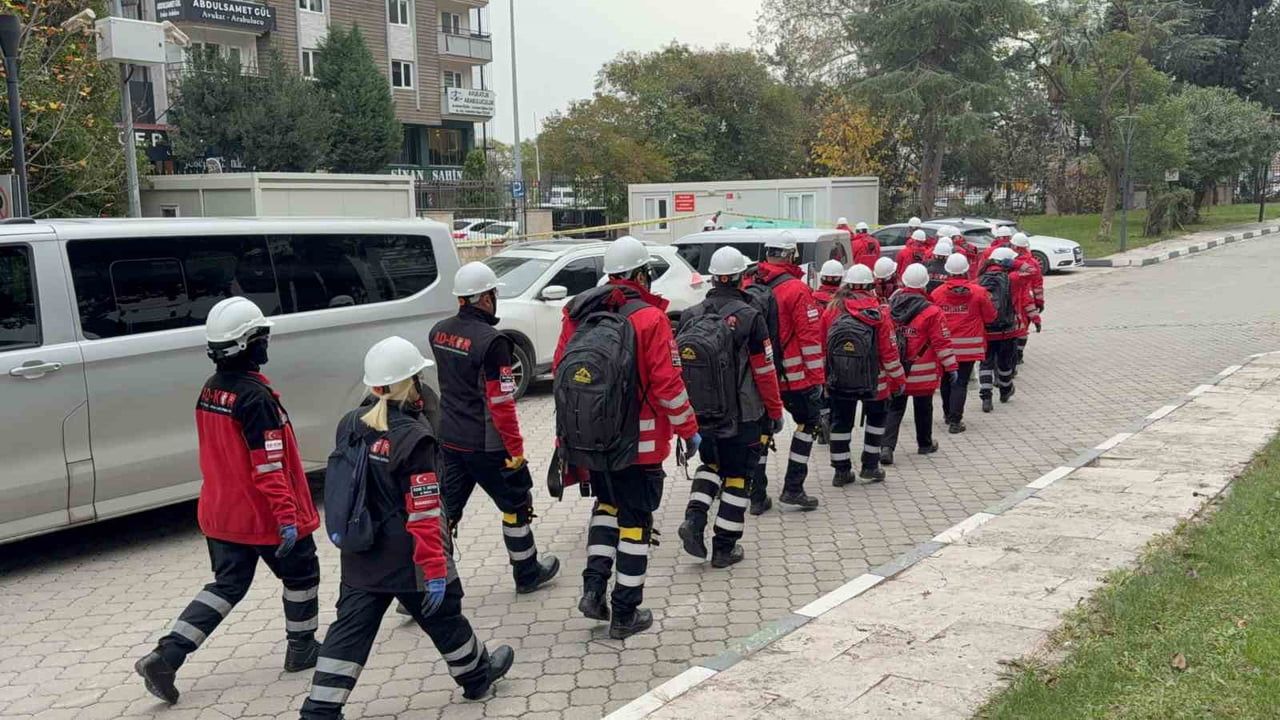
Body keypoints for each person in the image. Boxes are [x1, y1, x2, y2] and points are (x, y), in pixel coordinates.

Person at [299, 338, 513, 717]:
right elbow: (425, 513)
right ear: (410, 383)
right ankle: (476, 676)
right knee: (443, 615)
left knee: (349, 632)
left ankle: (319, 710)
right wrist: (434, 570)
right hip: (409, 557)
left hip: (361, 554)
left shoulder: (350, 424)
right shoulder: (414, 438)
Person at [137, 297, 322, 705]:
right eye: (262, 336)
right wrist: (288, 519)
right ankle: (303, 647)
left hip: (221, 512)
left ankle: (166, 656)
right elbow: (269, 467)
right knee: (302, 574)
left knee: (226, 586)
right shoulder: (255, 400)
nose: (267, 342)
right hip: (263, 517)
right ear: (244, 344)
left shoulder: (211, 389)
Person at [553, 236, 699, 639]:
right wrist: (689, 429)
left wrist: (564, 441)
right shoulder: (650, 320)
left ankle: (593, 590)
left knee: (605, 506)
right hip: (641, 441)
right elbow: (668, 385)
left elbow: (565, 381)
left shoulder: (577, 312)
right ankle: (625, 613)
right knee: (636, 520)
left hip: (590, 437)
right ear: (640, 275)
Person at [430, 262, 559, 595]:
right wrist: (515, 451)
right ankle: (527, 573)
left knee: (445, 510)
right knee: (516, 505)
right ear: (484, 298)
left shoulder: (439, 331)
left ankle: (427, 583)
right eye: (493, 294)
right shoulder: (493, 342)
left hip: (450, 439)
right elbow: (501, 404)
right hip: (487, 444)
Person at [676, 247, 785, 567]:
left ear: (712, 277)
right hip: (744, 414)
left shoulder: (690, 315)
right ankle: (724, 547)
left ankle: (694, 521)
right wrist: (775, 412)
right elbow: (765, 371)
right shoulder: (751, 316)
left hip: (703, 411)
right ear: (741, 277)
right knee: (738, 476)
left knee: (709, 466)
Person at [752, 233, 824, 511]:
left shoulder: (750, 282)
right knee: (808, 424)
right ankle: (793, 487)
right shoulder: (796, 289)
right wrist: (817, 379)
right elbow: (809, 338)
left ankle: (756, 495)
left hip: (760, 375)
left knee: (762, 432)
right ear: (792, 256)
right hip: (794, 379)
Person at [821, 264, 904, 485]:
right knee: (876, 421)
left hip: (839, 377)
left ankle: (841, 471)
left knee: (840, 422)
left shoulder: (832, 309)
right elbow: (889, 351)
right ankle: (870, 466)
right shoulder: (880, 313)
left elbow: (822, 346)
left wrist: (823, 377)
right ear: (871, 286)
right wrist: (899, 379)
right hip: (876, 380)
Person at [881, 264, 957, 464]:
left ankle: (886, 448)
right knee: (924, 407)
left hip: (897, 370)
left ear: (904, 281)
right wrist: (951, 367)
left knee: (894, 409)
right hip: (923, 371)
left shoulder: (889, 308)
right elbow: (942, 342)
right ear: (925, 284)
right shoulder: (932, 311)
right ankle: (924, 444)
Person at [930, 254, 996, 433]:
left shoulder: (937, 294)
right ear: (966, 270)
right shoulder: (979, 292)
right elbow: (990, 316)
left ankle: (947, 414)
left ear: (948, 271)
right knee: (961, 382)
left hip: (946, 347)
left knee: (945, 380)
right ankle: (955, 420)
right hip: (970, 347)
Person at [978, 248, 1039, 412]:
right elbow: (1034, 271)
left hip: (986, 331)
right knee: (1005, 365)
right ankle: (1005, 390)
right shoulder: (1012, 278)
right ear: (1006, 262)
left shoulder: (979, 278)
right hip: (1007, 330)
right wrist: (1016, 263)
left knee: (985, 364)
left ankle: (986, 396)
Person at [1009, 233, 1044, 367]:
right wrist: (1039, 301)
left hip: (1015, 299)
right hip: (1028, 300)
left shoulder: (1010, 261)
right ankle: (1018, 354)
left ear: (1015, 246)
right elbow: (1038, 284)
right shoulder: (1032, 262)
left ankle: (1014, 355)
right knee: (1023, 328)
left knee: (1016, 328)